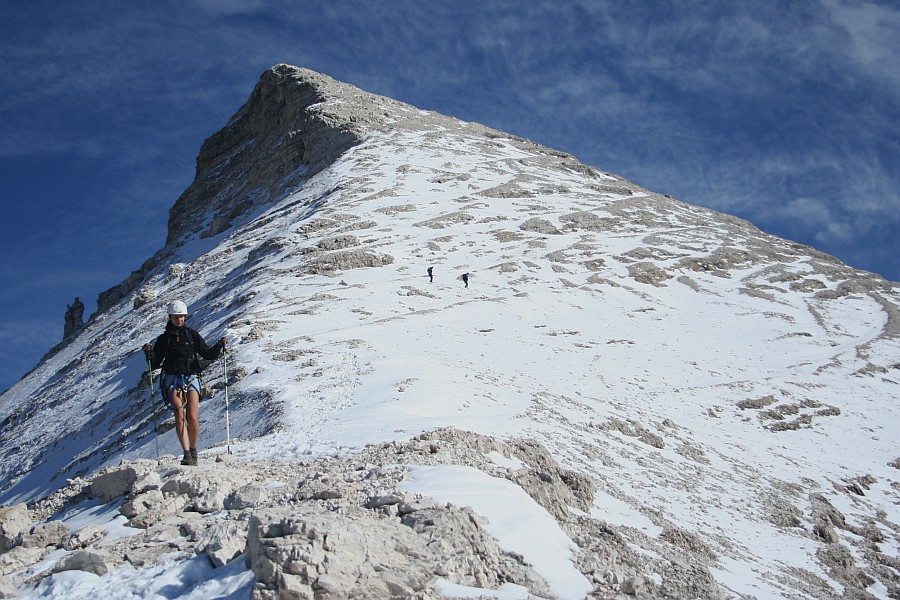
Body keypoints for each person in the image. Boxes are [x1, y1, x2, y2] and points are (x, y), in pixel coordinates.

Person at [142, 300, 226, 466]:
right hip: (172, 378)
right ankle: (187, 453)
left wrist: (218, 346)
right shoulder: (164, 339)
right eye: (176, 317)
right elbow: (156, 363)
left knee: (192, 417)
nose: (179, 320)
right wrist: (149, 354)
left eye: (181, 317)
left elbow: (207, 353)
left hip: (191, 376)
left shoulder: (192, 335)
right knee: (179, 414)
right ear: (170, 317)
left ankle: (193, 450)